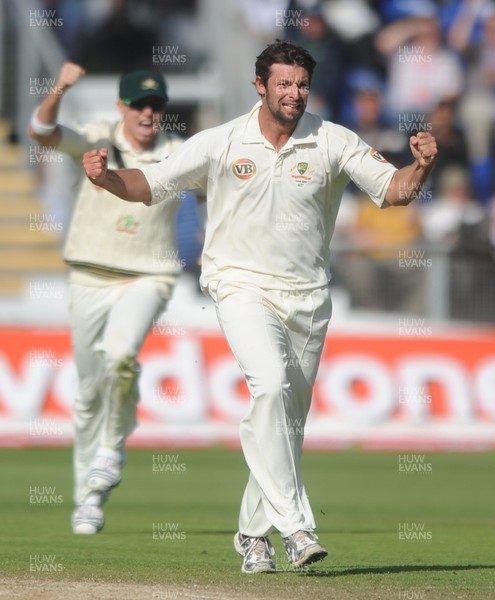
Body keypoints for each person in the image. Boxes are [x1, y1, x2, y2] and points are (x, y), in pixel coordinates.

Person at [81, 40, 438, 573]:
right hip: (239, 285)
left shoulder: (332, 139)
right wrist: (107, 178)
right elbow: (151, 183)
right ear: (260, 86)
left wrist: (423, 166)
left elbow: (395, 191)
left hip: (308, 298)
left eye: (301, 85)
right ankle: (297, 527)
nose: (294, 94)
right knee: (269, 386)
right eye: (284, 84)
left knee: (285, 427)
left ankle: (251, 536)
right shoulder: (222, 142)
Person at [28, 63, 184, 535]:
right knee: (88, 394)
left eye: (155, 106)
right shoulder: (97, 137)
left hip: (149, 275)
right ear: (122, 106)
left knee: (119, 354)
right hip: (88, 276)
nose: (147, 113)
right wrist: (60, 88)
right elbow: (41, 131)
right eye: (139, 104)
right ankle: (88, 499)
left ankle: (111, 449)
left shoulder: (178, 152)